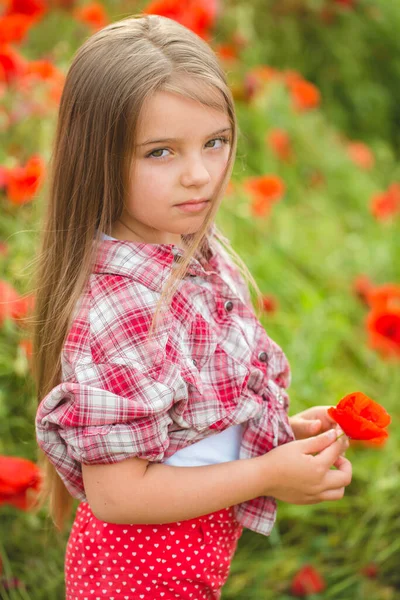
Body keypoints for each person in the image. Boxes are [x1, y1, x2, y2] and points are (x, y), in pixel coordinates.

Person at [33, 13, 352, 600]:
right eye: (160, 153)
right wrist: (266, 476)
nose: (200, 175)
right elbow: (118, 496)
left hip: (191, 560)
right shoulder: (122, 303)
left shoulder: (191, 253)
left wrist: (282, 441)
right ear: (96, 157)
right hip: (140, 574)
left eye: (215, 142)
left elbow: (189, 430)